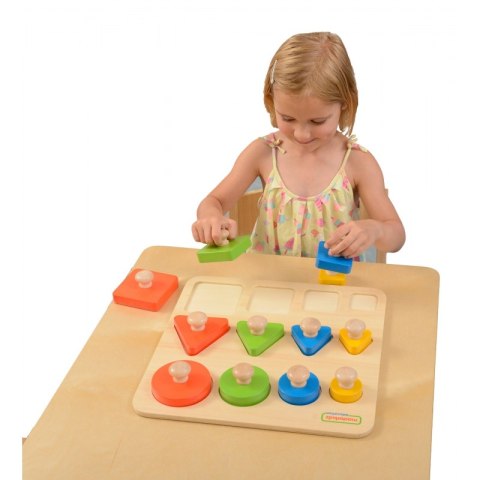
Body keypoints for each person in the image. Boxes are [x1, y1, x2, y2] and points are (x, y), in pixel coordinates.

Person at [192, 32, 405, 259]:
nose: (302, 134)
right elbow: (213, 201)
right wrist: (210, 217)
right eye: (288, 118)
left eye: (317, 121)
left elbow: (396, 235)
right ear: (271, 100)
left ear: (345, 104)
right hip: (268, 278)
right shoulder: (262, 153)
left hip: (334, 280)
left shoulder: (357, 162)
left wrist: (375, 229)